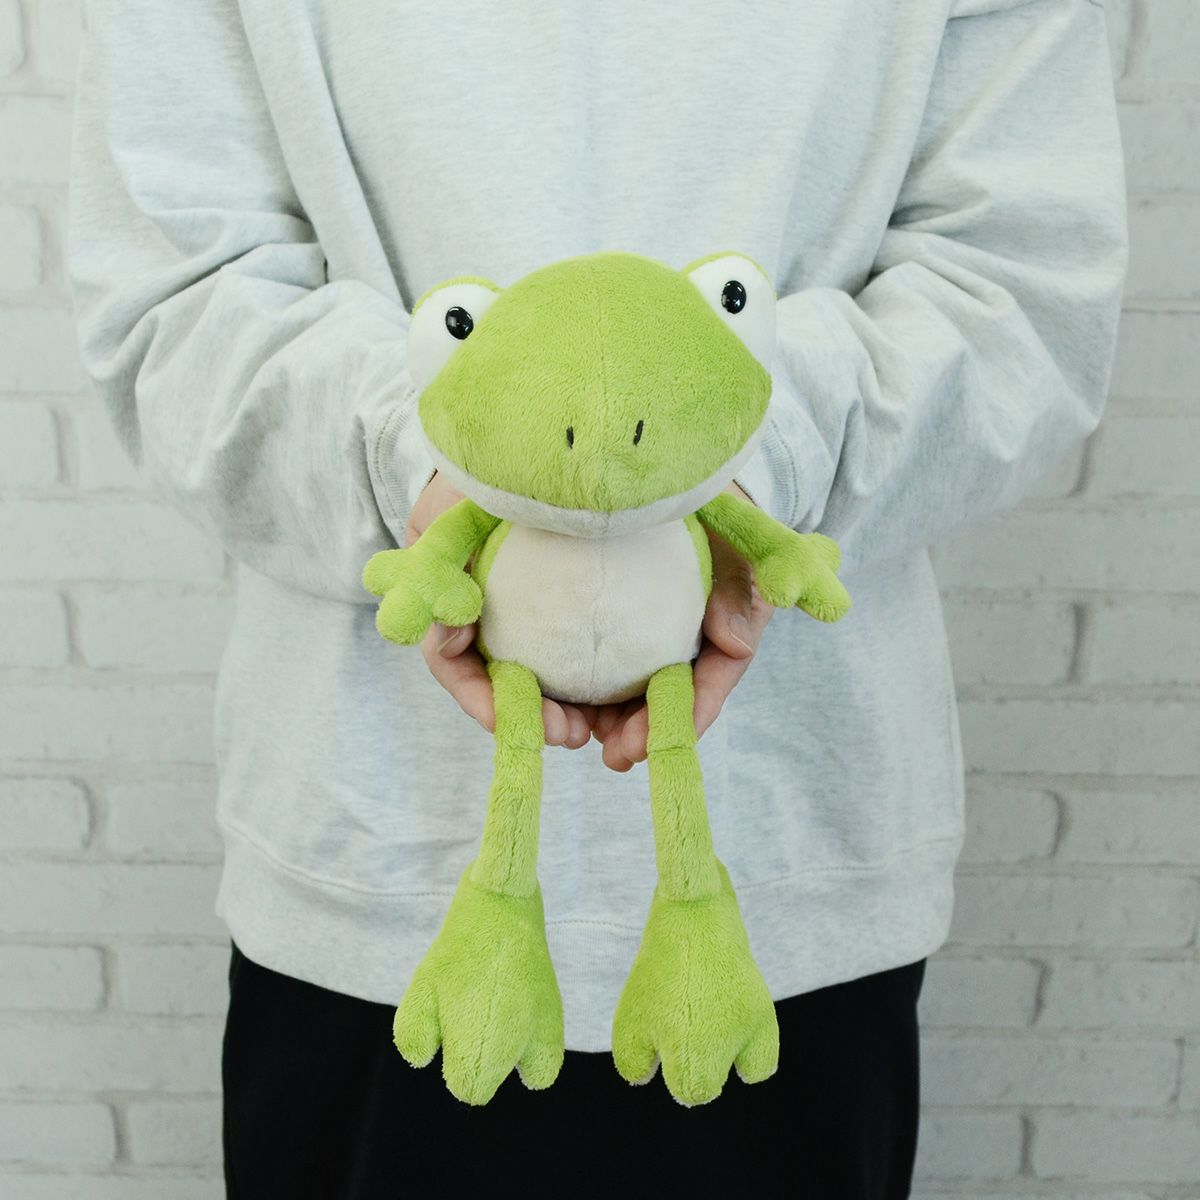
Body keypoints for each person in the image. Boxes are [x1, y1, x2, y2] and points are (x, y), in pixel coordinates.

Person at [67, 2, 1127, 1196]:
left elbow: (1020, 287)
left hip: (789, 872)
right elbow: (179, 297)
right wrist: (452, 472)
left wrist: (716, 466)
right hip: (375, 864)